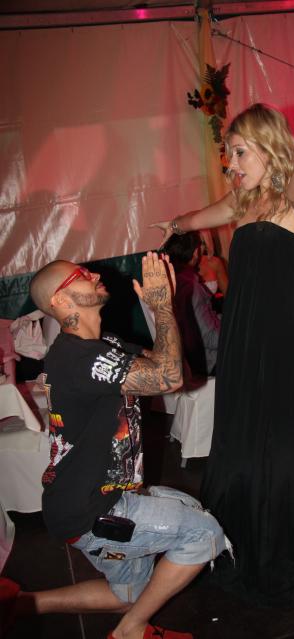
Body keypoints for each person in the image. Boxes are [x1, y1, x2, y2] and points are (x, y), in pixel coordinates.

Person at [151, 103, 294, 607]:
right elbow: (202, 215)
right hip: (247, 340)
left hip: (292, 341)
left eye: (239, 152)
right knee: (247, 440)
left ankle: (292, 543)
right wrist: (176, 223)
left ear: (269, 148)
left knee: (290, 443)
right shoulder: (242, 201)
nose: (231, 163)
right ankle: (244, 538)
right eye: (229, 154)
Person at [0, 253, 228, 639]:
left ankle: (23, 605)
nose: (92, 274)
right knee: (204, 534)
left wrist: (163, 310)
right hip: (94, 507)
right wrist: (163, 307)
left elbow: (175, 371)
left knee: (130, 594)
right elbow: (170, 378)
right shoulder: (78, 357)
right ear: (60, 301)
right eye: (79, 274)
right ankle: (130, 632)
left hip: (89, 498)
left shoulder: (104, 344)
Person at [163, 231, 221, 377]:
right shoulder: (190, 286)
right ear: (195, 252)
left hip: (191, 360)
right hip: (210, 362)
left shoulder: (169, 279)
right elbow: (209, 338)